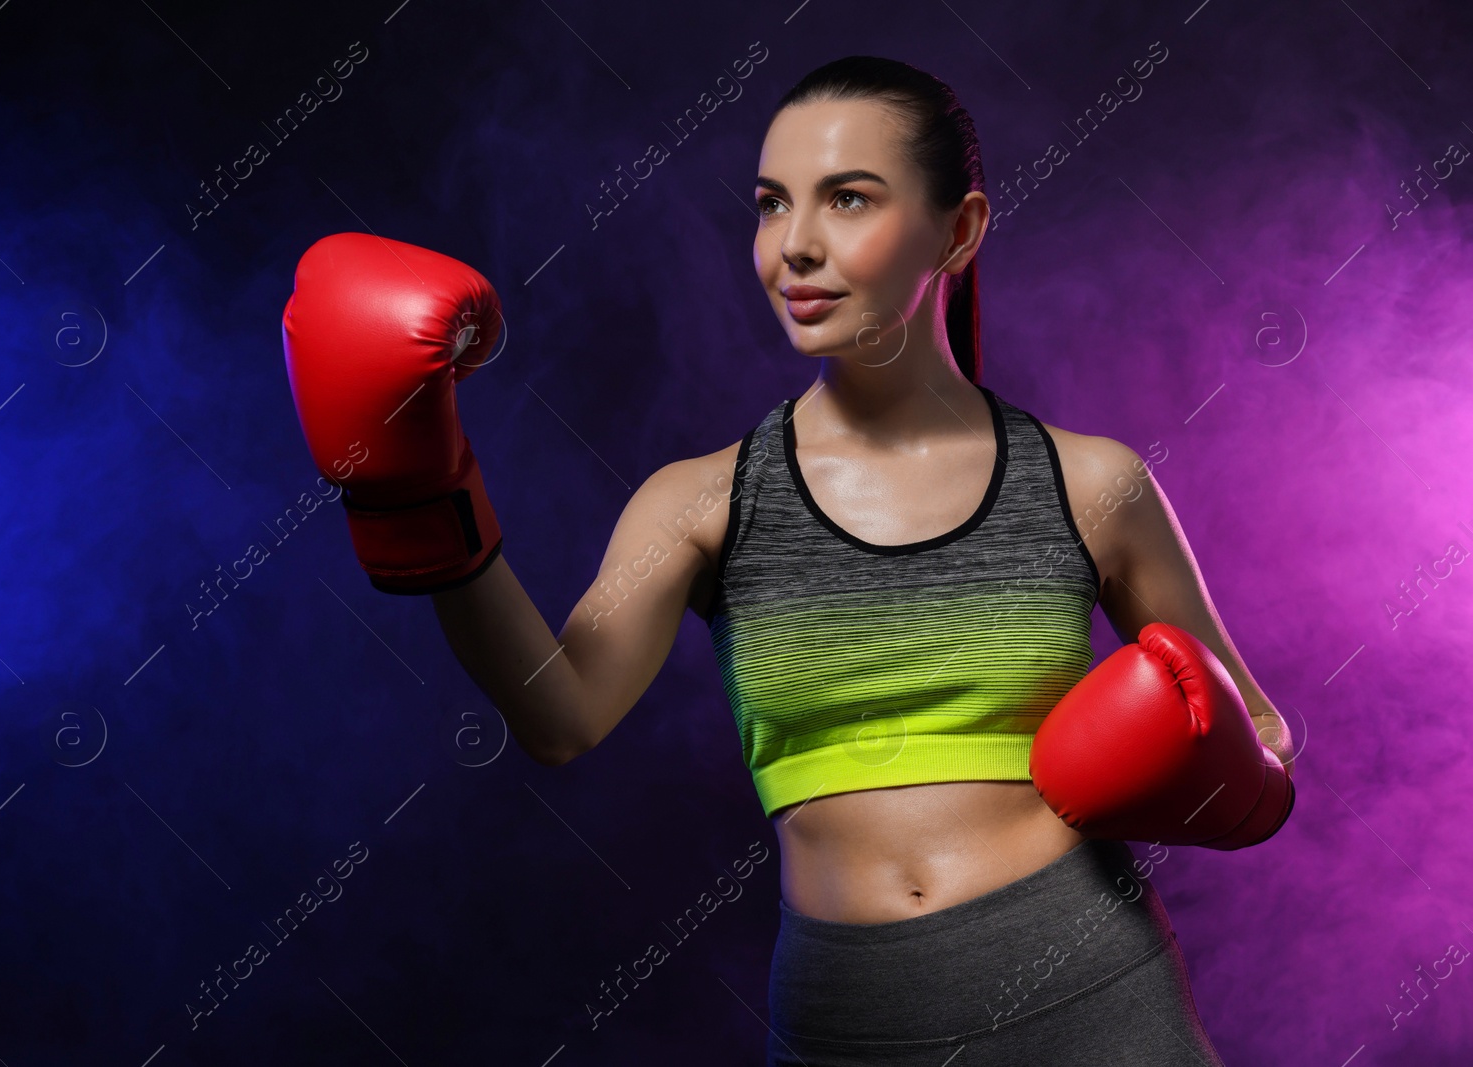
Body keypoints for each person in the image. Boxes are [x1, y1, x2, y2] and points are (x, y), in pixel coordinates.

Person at [281, 54, 1295, 1066]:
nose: (795, 245)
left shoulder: (1093, 483)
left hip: (1090, 990)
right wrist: (416, 496)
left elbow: (1256, 727)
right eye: (772, 204)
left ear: (959, 230)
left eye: (847, 198)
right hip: (847, 1010)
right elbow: (558, 714)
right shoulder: (701, 500)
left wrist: (1213, 769)